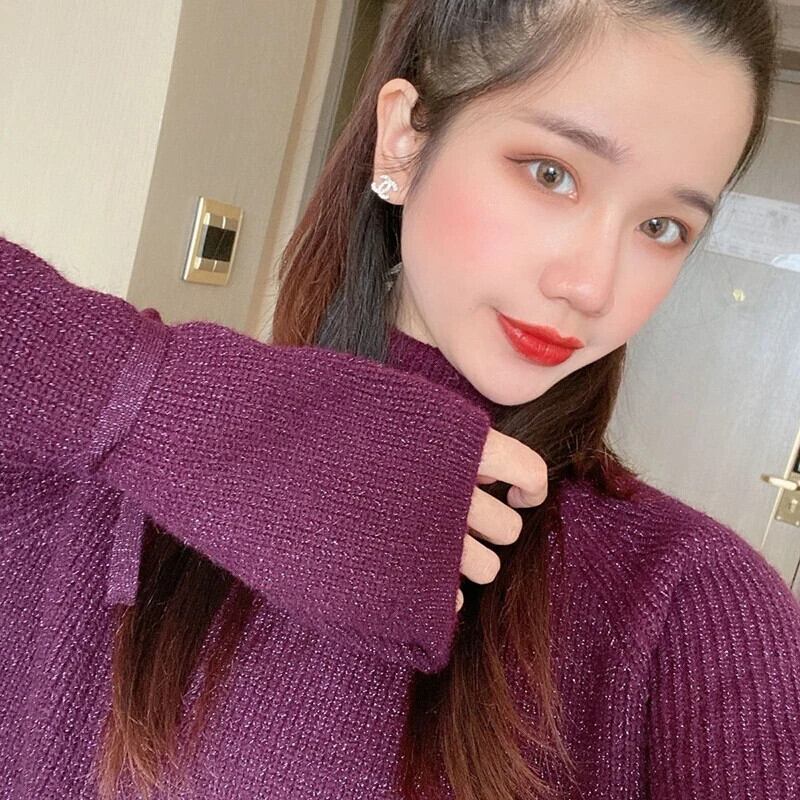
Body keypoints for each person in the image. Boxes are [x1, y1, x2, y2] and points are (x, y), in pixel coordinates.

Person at [1, 0, 797, 798]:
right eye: (552, 173)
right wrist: (169, 406)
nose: (592, 286)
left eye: (662, 227)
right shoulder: (126, 459)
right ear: (405, 138)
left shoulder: (700, 608)